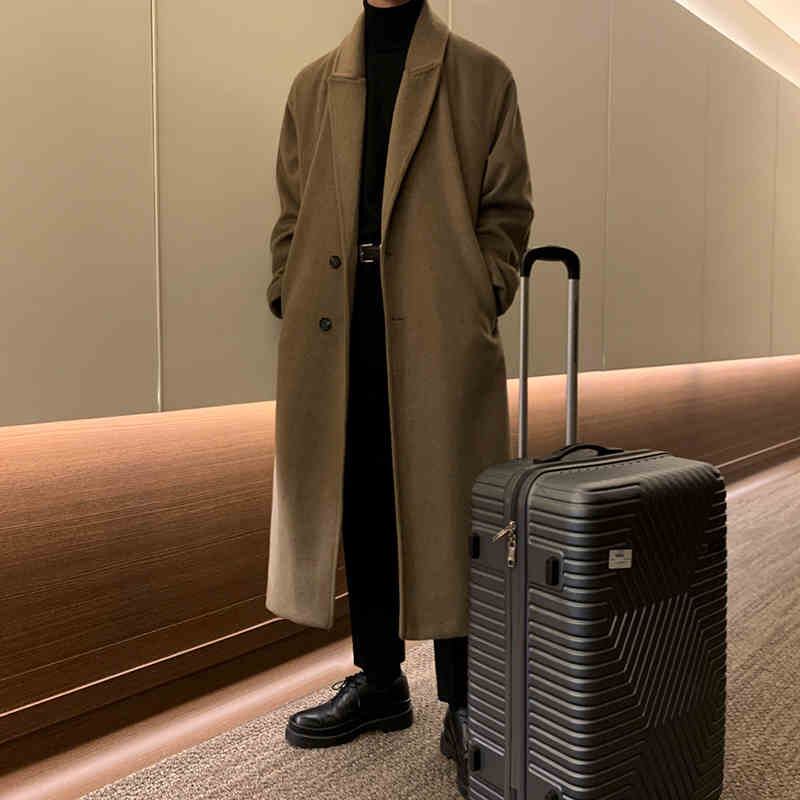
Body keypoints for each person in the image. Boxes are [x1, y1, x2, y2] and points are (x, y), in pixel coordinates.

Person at [265, 0, 533, 795]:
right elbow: (291, 211)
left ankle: (467, 699)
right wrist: (286, 287)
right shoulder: (313, 85)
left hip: (439, 328)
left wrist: (482, 288)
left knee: (453, 508)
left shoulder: (482, 77)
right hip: (336, 324)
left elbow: (507, 211)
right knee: (360, 498)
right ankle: (380, 682)